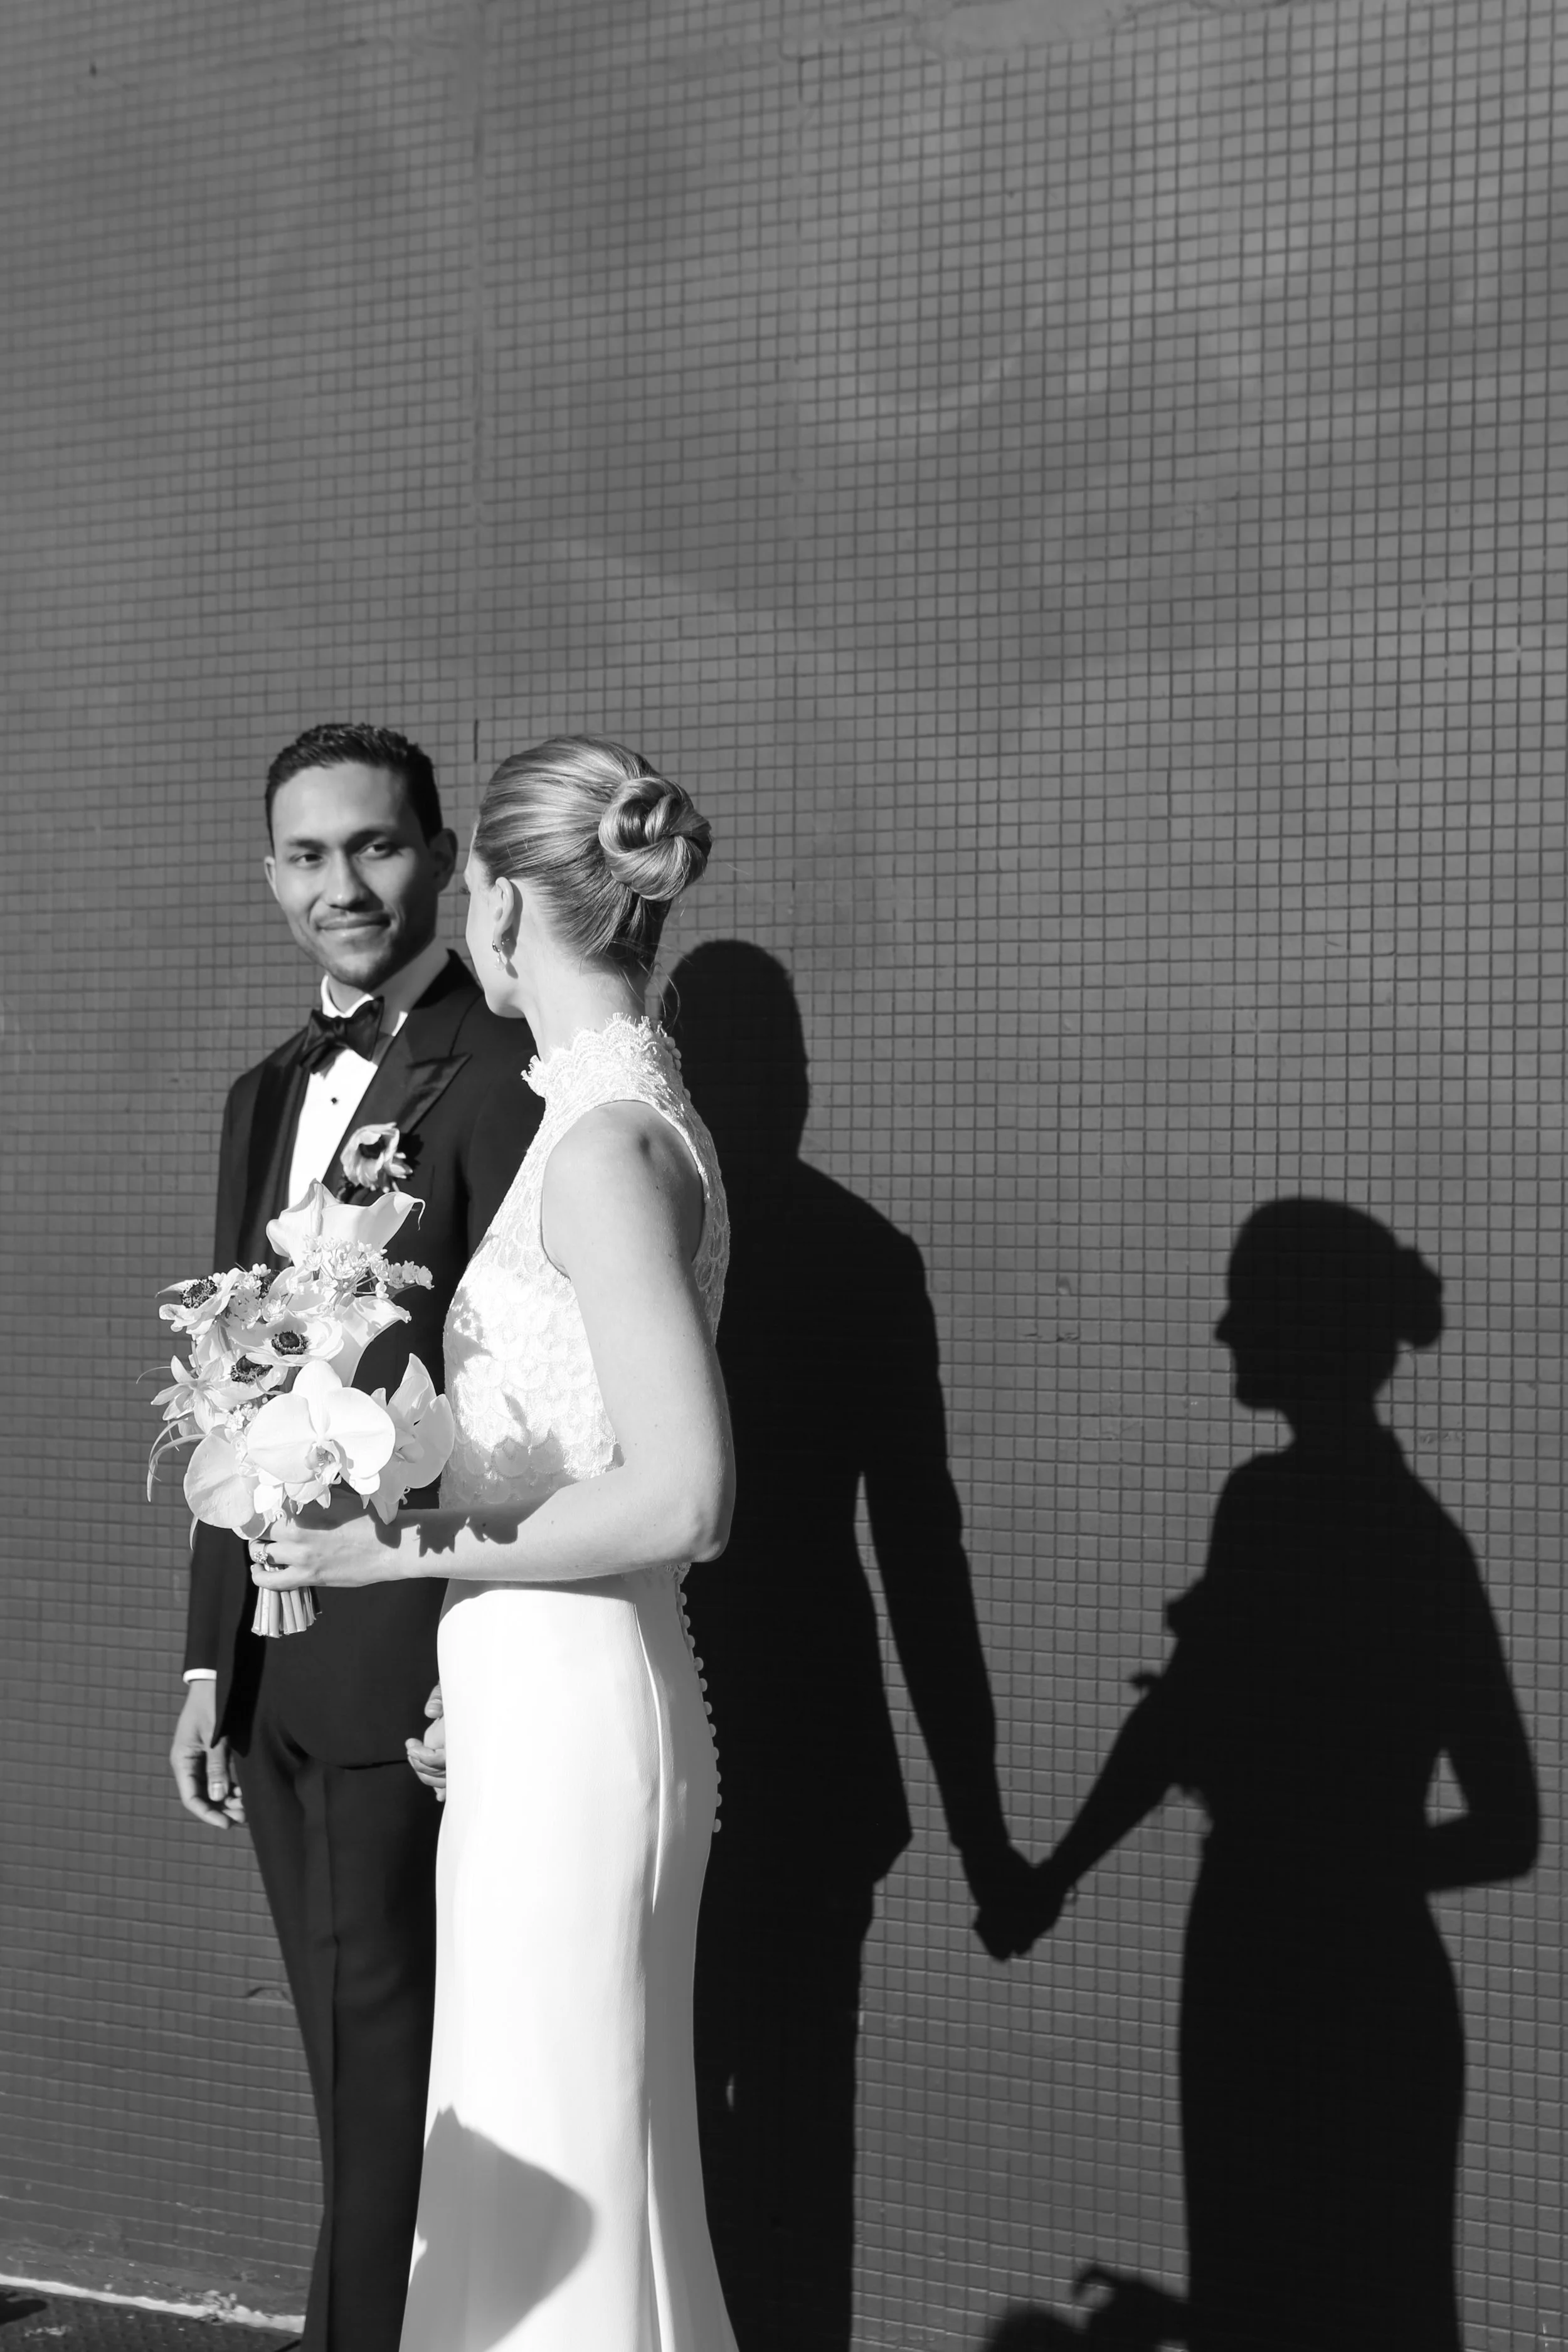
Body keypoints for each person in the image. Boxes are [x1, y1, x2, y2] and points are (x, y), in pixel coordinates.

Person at [249, 736, 739, 2352]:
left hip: (582, 1712)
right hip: (544, 1701)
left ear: (511, 902)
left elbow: (680, 1498)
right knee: (547, 2167)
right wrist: (485, 1648)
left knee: (549, 2174)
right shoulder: (622, 1117)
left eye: (465, 888)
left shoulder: (599, 1150)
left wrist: (410, 1557)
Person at [168, 723, 541, 2352]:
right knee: (350, 2060)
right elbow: (230, 1387)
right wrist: (205, 1652)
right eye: (308, 856)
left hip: (412, 1655)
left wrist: (481, 1643)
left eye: (376, 847)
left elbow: (523, 1388)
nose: (343, 884)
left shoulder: (501, 1075)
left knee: (394, 2059)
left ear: (438, 852)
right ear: (269, 877)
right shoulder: (262, 1094)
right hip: (274, 1667)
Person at [1025, 1199, 1540, 2352]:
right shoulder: (1398, 1534)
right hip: (1348, 1977)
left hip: (1272, 1962)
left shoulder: (1285, 1516)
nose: (1223, 1331)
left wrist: (1060, 1873)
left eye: (1250, 1305)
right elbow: (1504, 1826)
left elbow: (1178, 1727)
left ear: (1309, 1329)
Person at [664, 941, 1036, 2352]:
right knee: (799, 2139)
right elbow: (920, 1560)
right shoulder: (862, 1255)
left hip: (669, 1732)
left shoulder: (623, 1241)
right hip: (813, 1755)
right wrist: (981, 1833)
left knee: (672, 2118)